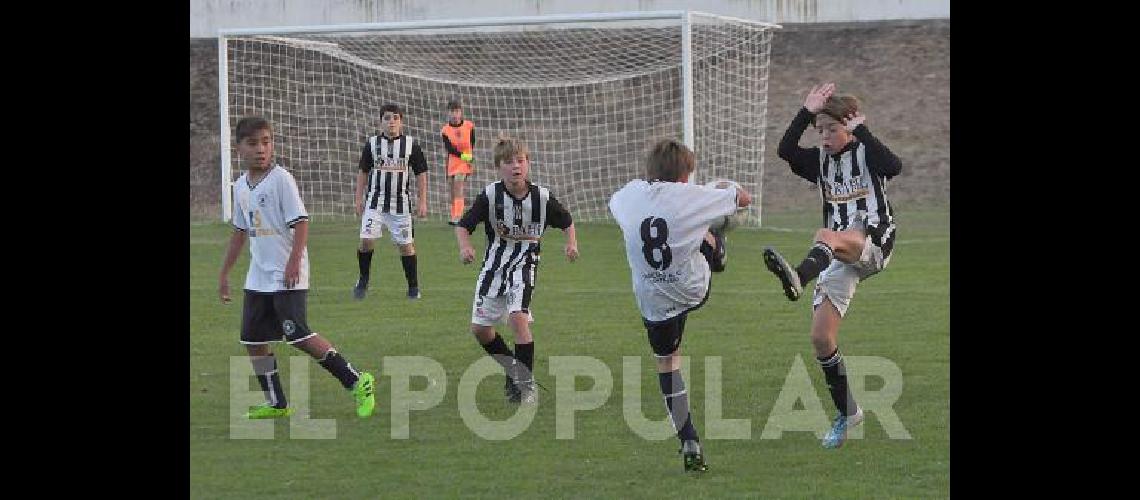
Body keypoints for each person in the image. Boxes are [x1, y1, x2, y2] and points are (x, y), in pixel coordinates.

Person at [763, 82, 902, 449]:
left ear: (849, 127)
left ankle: (799, 275)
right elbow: (785, 150)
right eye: (819, 130)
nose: (824, 137)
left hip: (873, 239)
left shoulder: (867, 153)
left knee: (828, 233)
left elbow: (894, 166)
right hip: (836, 252)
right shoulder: (819, 162)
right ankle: (849, 412)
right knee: (821, 338)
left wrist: (863, 132)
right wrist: (805, 112)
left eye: (832, 129)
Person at [608, 138, 751, 473]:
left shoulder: (629, 195)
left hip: (652, 298)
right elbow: (743, 199)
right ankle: (718, 247)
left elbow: (615, 205)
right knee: (702, 235)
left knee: (667, 362)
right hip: (691, 288)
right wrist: (712, 195)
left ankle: (688, 438)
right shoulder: (692, 196)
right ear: (686, 175)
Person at [219, 116, 376, 419]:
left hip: (287, 272)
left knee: (298, 335)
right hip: (259, 275)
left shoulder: (281, 179)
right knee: (252, 340)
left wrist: (293, 261)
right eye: (253, 144)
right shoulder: (240, 187)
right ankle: (277, 403)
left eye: (266, 142)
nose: (261, 149)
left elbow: (301, 222)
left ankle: (357, 381)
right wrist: (225, 274)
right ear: (239, 148)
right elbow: (240, 233)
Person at [454, 135, 578, 404]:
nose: (515, 167)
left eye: (520, 161)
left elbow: (567, 220)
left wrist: (571, 243)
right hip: (493, 268)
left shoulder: (542, 197)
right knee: (480, 330)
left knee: (518, 319)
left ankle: (525, 386)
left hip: (525, 264)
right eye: (509, 162)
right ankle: (513, 369)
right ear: (499, 167)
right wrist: (465, 247)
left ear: (528, 164)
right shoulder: (490, 195)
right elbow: (464, 225)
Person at [353, 103, 429, 300]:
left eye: (395, 117)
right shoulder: (372, 144)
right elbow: (363, 171)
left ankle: (413, 288)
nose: (391, 122)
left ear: (401, 121)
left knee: (406, 246)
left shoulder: (411, 145)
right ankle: (363, 279)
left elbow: (421, 173)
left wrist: (422, 201)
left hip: (400, 205)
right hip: (374, 202)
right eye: (387, 118)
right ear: (381, 123)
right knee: (366, 241)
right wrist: (358, 198)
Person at [441, 99, 476, 226]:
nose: (455, 114)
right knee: (452, 190)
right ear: (448, 113)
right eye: (452, 111)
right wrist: (464, 156)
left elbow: (472, 143)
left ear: (461, 113)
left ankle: (458, 216)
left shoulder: (469, 126)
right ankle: (453, 215)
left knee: (458, 186)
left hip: (465, 162)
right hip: (453, 161)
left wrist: (469, 159)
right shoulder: (445, 130)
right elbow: (449, 149)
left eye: (457, 111)